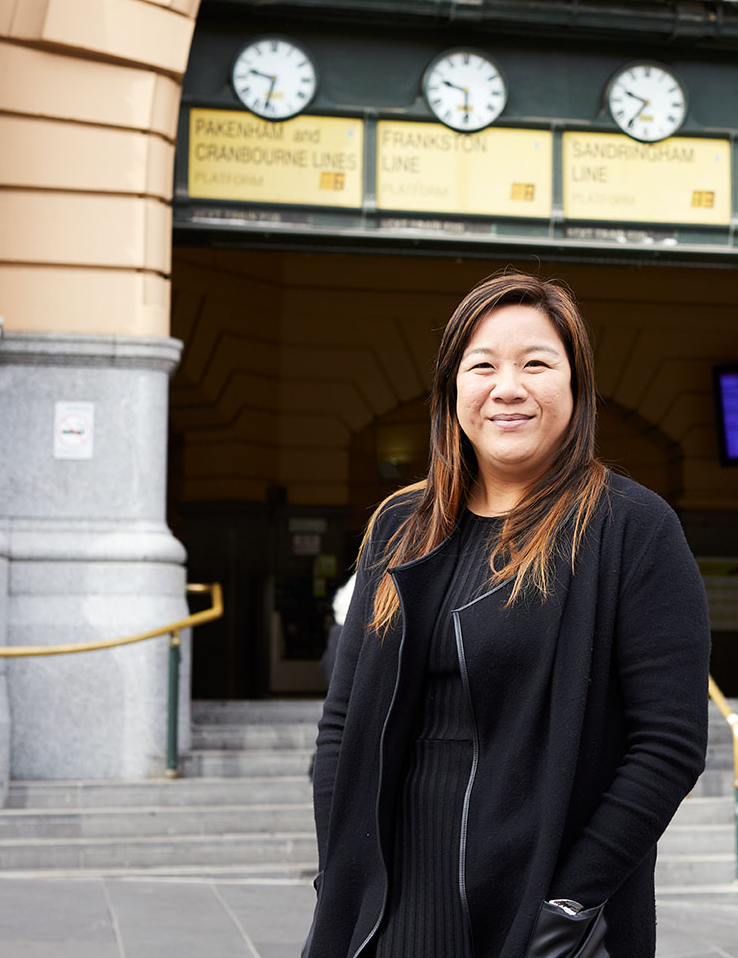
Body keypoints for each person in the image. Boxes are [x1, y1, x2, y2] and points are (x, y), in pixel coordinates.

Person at [304, 271, 711, 958]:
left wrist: (571, 904)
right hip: (384, 916)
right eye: (483, 364)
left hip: (537, 922)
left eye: (536, 363)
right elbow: (341, 725)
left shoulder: (631, 528)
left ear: (575, 386)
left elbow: (668, 745)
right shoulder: (399, 525)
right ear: (452, 390)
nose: (508, 386)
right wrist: (342, 870)